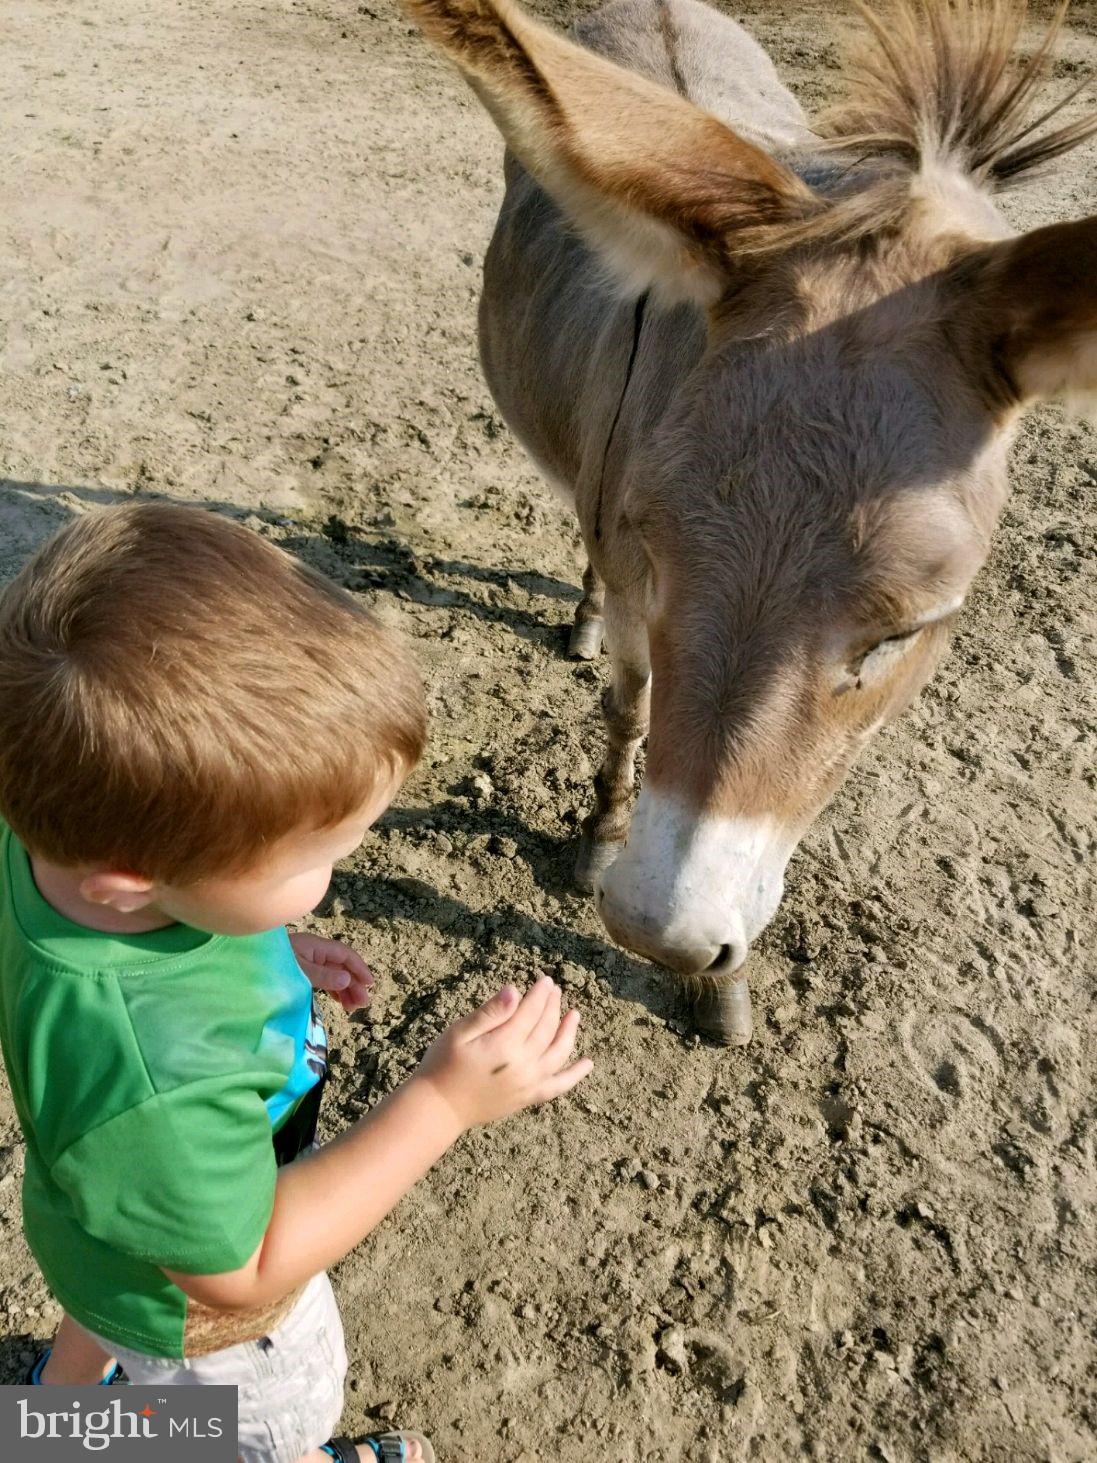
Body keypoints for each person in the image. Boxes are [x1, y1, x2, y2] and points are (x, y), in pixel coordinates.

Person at [0, 504, 592, 1463]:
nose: (339, 871)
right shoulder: (158, 1084)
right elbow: (247, 1268)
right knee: (253, 1429)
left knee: (107, 1321)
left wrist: (270, 944)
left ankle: (50, 1429)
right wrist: (441, 1102)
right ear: (134, 879)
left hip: (98, 1233)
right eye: (316, 856)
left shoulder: (43, 840)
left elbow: (159, 949)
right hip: (208, 1323)